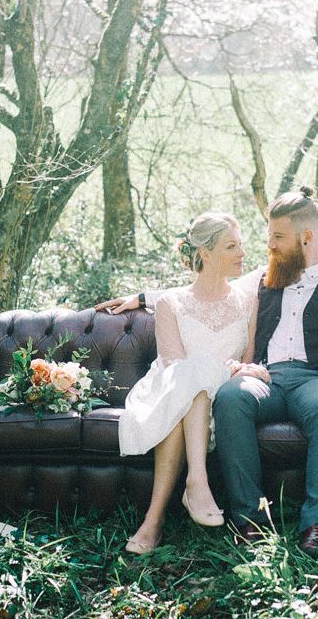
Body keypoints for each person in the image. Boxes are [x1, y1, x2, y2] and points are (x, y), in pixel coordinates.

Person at [99, 187, 318, 555]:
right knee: (232, 396)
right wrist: (142, 299)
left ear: (307, 237)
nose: (270, 246)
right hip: (264, 378)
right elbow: (206, 290)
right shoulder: (263, 279)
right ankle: (249, 520)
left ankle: (317, 523)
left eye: (277, 238)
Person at [95, 213, 268, 555]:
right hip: (169, 388)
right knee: (190, 389)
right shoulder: (171, 302)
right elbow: (174, 365)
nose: (242, 253)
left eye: (241, 245)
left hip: (221, 397)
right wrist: (219, 368)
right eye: (232, 246)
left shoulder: (248, 300)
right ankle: (195, 485)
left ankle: (154, 521)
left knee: (198, 392)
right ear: (205, 253)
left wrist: (234, 370)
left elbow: (245, 360)